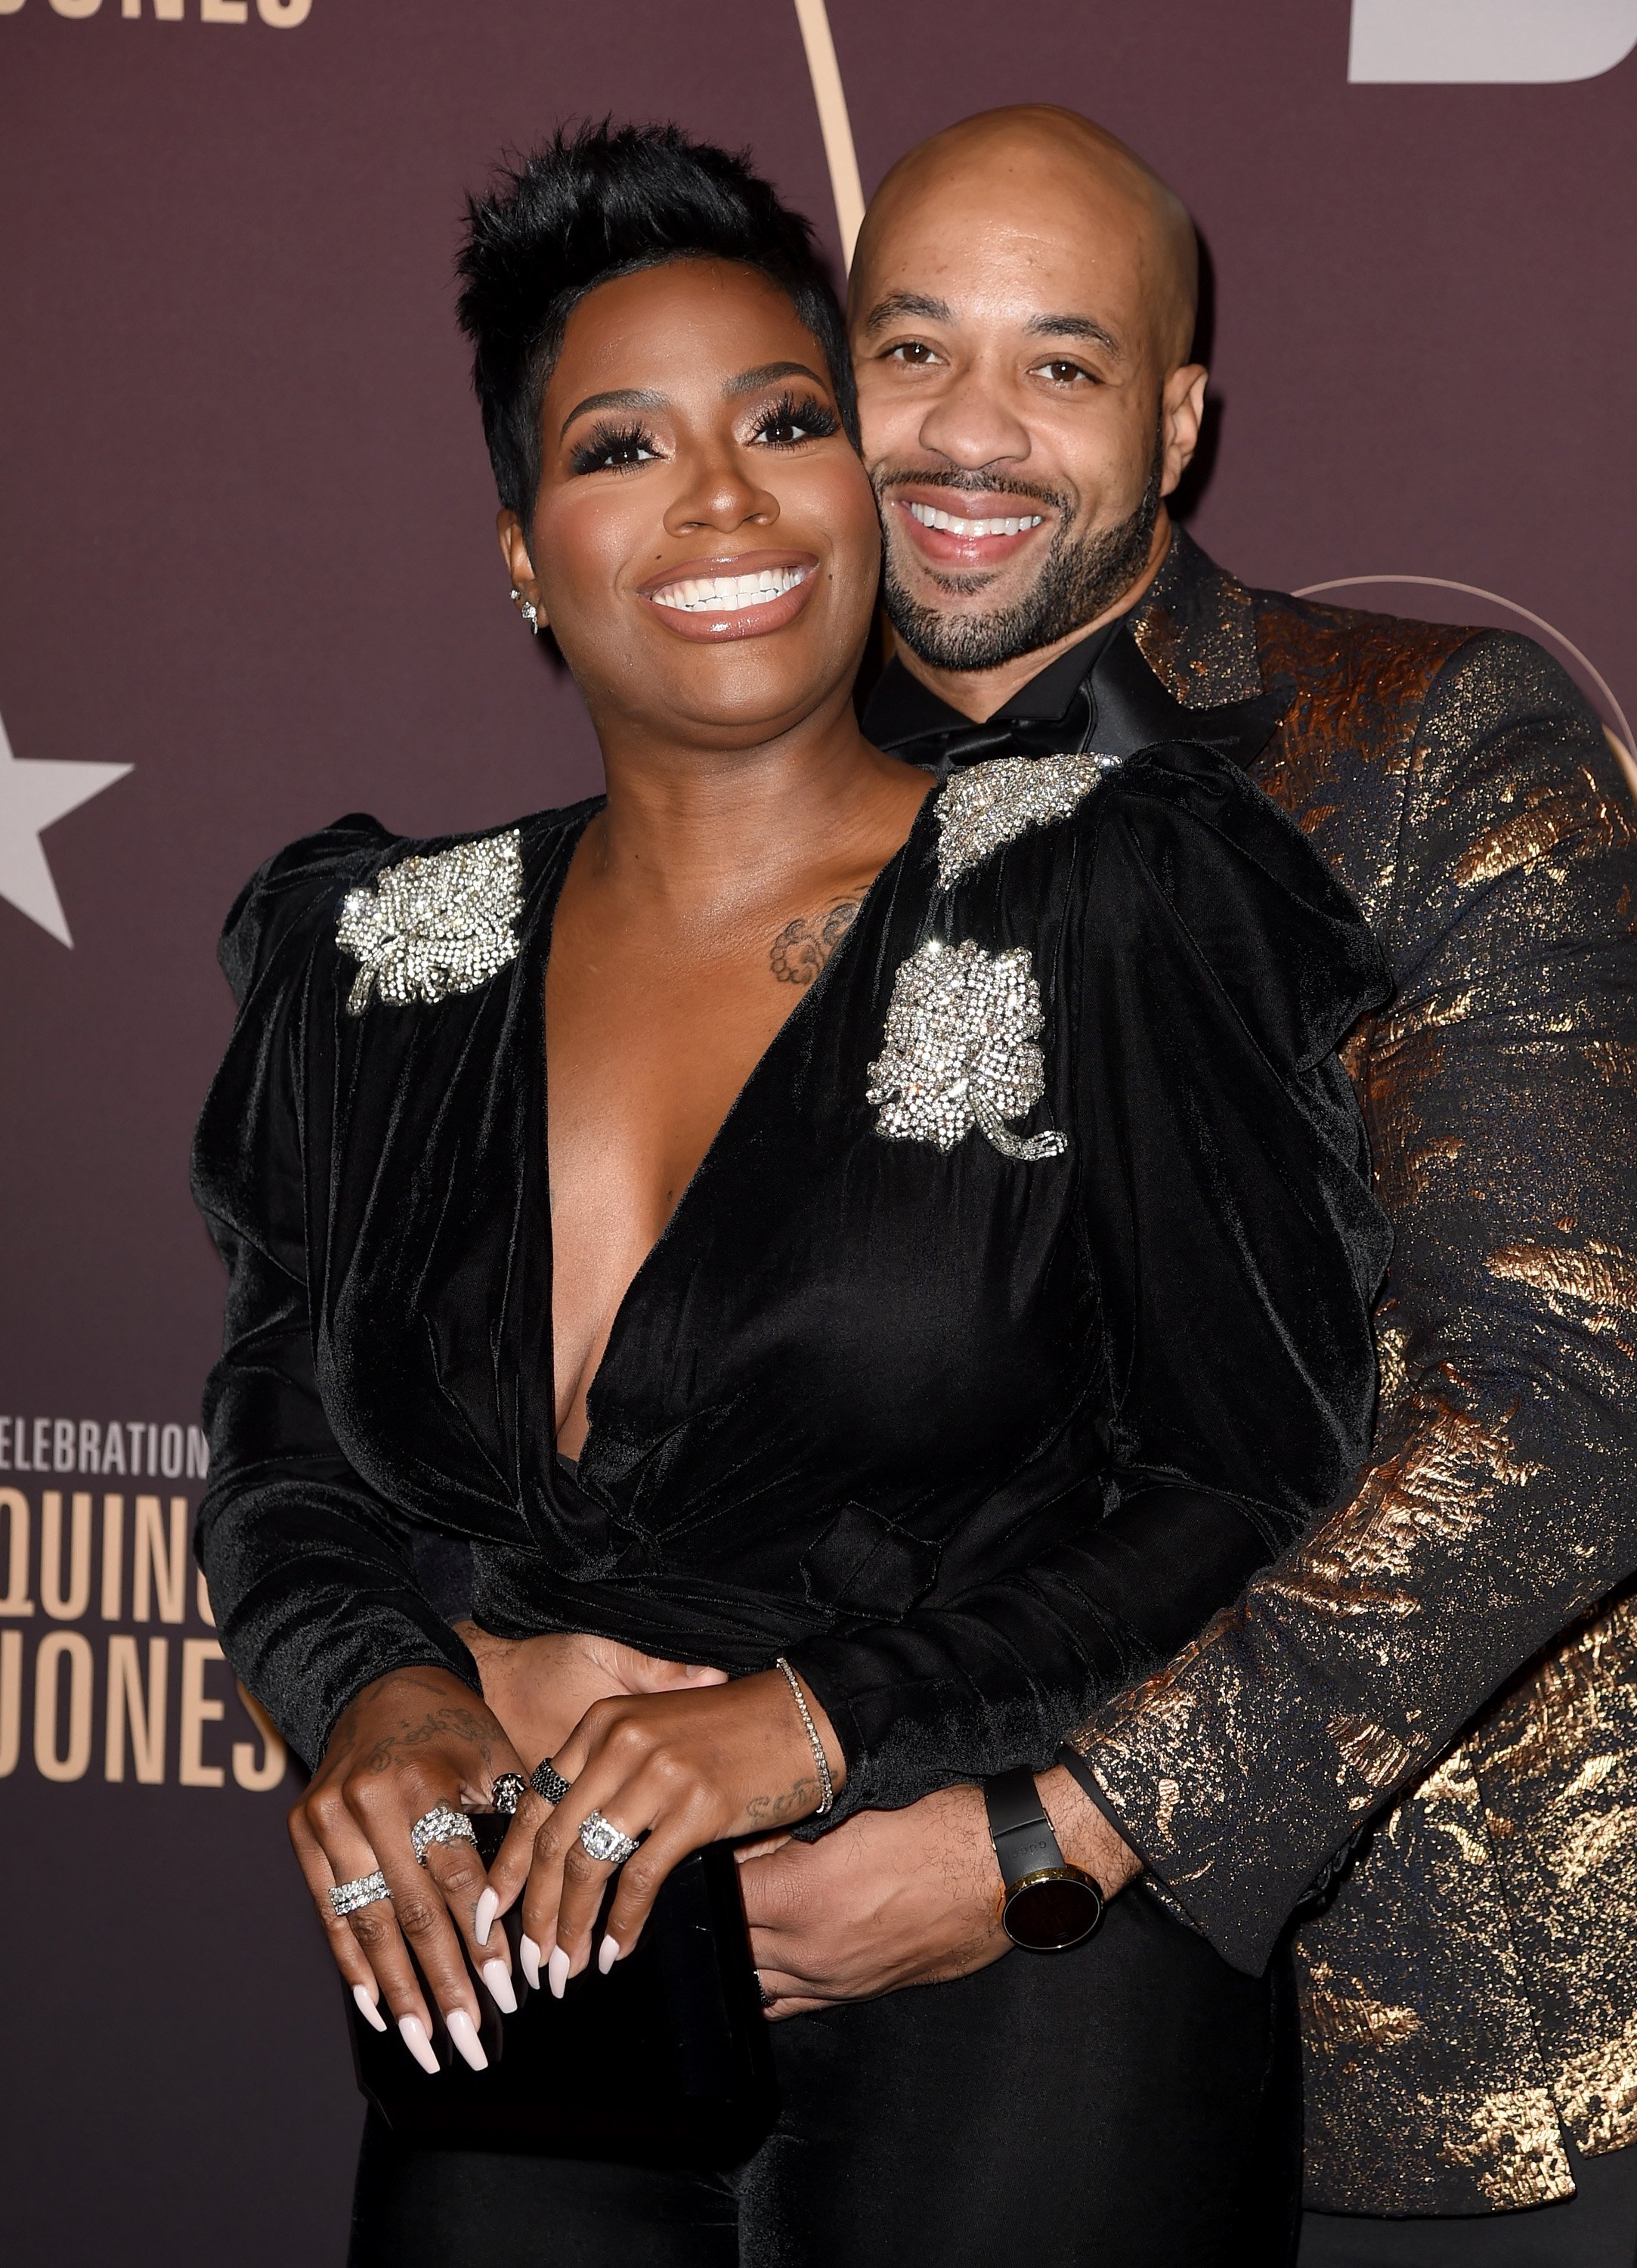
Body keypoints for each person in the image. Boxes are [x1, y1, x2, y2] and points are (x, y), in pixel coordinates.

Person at [190, 121, 1395, 2266]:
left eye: (785, 419)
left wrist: (811, 1722)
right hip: (541, 1967)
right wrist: (372, 1692)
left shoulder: (1111, 890)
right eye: (620, 445)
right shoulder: (378, 957)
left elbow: (1249, 1472)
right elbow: (288, 1424)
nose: (723, 497)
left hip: (1013, 1980)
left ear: (863, 485)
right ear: (518, 544)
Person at [732, 106, 1637, 2265]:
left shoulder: (1435, 750)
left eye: (1062, 364)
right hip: (892, 2061)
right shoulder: (735, 806)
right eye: (915, 349)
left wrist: (1058, 1832)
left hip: (1482, 2049)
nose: (971, 433)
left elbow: (1556, 1403)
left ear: (1179, 419)